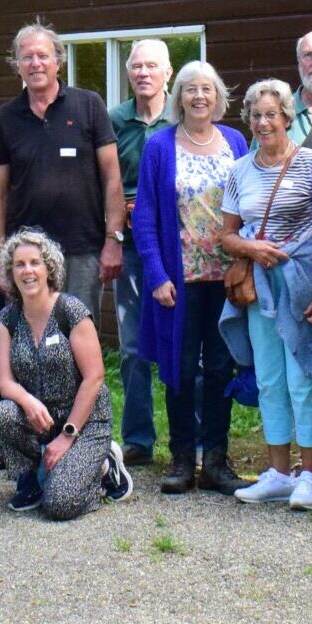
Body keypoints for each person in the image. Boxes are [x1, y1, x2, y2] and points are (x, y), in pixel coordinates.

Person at [216, 79, 312, 511]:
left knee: (301, 377)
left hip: (301, 283)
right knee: (268, 378)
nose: (263, 122)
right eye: (255, 115)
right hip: (259, 287)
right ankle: (278, 472)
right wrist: (252, 249)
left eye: (271, 114)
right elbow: (227, 236)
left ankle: (311, 475)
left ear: (287, 116)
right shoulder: (239, 170)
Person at [132, 60, 247, 495]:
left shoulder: (235, 141)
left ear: (218, 97)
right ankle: (182, 459)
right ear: (177, 97)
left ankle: (216, 459)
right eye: (190, 89)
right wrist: (158, 274)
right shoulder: (160, 146)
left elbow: (249, 204)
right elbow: (144, 217)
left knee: (221, 366)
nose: (199, 96)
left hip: (227, 280)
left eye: (207, 89)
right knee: (178, 368)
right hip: (178, 283)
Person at [0, 229, 127, 519]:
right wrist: (27, 401)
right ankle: (30, 481)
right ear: (10, 272)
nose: (27, 271)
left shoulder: (70, 310)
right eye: (19, 264)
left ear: (48, 268)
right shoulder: (6, 319)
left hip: (84, 420)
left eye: (34, 263)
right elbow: (4, 382)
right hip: (41, 418)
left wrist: (67, 435)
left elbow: (95, 377)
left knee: (60, 505)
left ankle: (104, 468)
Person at [0, 23, 124, 307]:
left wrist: (113, 240)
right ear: (17, 66)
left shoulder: (89, 105)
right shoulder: (5, 118)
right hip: (25, 253)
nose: (35, 64)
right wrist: (2, 258)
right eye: (27, 57)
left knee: (80, 338)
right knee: (29, 339)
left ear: (58, 62)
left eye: (43, 56)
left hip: (82, 248)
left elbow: (112, 179)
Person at [105, 39, 172, 465]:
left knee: (185, 345)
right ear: (128, 73)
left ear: (168, 71)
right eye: (136, 67)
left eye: (152, 66)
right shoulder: (113, 121)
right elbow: (105, 184)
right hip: (128, 243)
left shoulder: (183, 118)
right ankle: (138, 440)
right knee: (131, 348)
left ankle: (194, 440)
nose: (143, 73)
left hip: (177, 245)